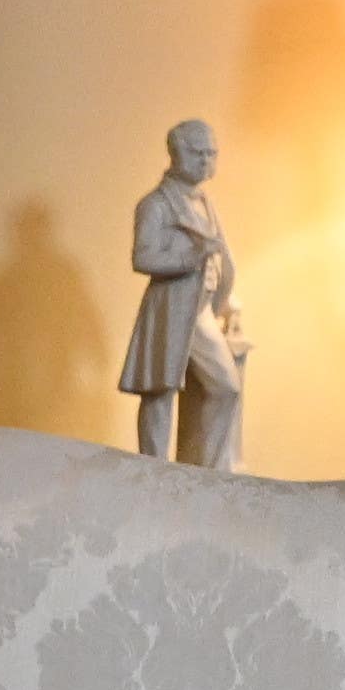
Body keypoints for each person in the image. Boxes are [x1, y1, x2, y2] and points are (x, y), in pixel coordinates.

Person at [118, 115, 246, 470]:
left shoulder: (204, 201)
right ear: (177, 154)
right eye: (198, 154)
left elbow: (220, 256)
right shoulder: (156, 204)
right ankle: (154, 472)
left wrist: (226, 297)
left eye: (211, 154)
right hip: (170, 309)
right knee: (160, 393)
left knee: (225, 388)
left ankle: (201, 472)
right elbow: (142, 257)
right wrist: (190, 257)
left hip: (201, 311)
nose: (206, 162)